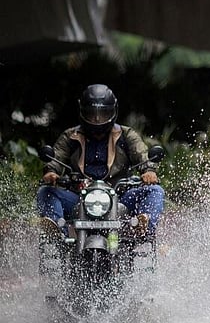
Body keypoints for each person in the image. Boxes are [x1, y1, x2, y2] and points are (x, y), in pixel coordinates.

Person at [36, 84, 164, 239]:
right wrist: (51, 172)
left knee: (155, 190)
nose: (97, 119)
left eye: (102, 114)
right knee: (46, 192)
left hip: (119, 197)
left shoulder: (126, 135)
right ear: (83, 112)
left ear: (113, 112)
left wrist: (149, 170)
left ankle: (143, 228)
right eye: (92, 114)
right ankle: (56, 233)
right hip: (80, 198)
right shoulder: (71, 136)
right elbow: (57, 157)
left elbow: (142, 154)